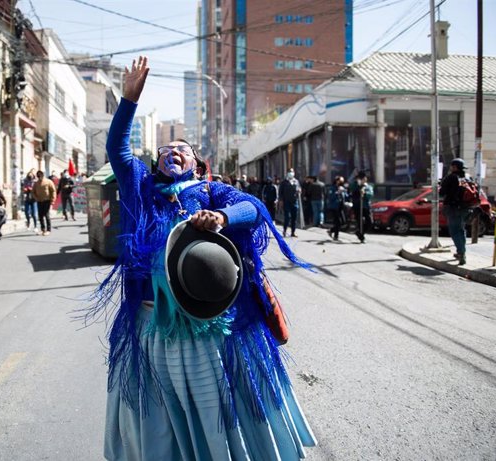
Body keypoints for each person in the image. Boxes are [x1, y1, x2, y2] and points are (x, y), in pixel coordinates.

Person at [93, 57, 316, 460]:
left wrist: (222, 217)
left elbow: (252, 208)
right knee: (161, 419)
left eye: (184, 149)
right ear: (155, 162)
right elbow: (117, 150)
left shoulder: (213, 192)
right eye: (167, 149)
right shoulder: (141, 189)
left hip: (214, 330)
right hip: (153, 326)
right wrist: (129, 101)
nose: (174, 152)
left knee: (218, 415)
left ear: (198, 163)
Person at [439, 159, 469, 265]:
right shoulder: (467, 178)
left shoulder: (452, 177)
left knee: (454, 231)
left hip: (453, 207)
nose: (450, 168)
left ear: (454, 167)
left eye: (452, 166)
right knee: (461, 230)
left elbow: (442, 192)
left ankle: (461, 253)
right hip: (465, 208)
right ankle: (461, 251)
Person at [349, 171, 373, 243]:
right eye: (360, 178)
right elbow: (351, 189)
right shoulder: (355, 185)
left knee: (370, 222)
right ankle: (361, 237)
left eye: (363, 178)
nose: (363, 180)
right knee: (360, 222)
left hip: (365, 206)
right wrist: (358, 185)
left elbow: (370, 195)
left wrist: (364, 193)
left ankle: (360, 232)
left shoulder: (368, 186)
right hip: (357, 206)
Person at [278, 169, 301, 237]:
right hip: (286, 201)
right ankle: (285, 230)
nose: (291, 173)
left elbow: (299, 188)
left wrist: (299, 191)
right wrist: (281, 200)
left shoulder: (296, 181)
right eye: (289, 172)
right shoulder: (284, 182)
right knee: (287, 217)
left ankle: (293, 232)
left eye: (292, 172)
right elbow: (280, 192)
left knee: (294, 217)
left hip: (294, 201)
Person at [32, 170, 56, 235]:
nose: (39, 177)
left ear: (43, 175)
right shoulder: (36, 183)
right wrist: (36, 198)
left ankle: (48, 229)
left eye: (40, 176)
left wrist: (53, 200)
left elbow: (53, 191)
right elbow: (33, 192)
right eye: (38, 176)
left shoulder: (48, 182)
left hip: (47, 200)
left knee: (46, 214)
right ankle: (43, 229)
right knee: (40, 215)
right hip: (39, 201)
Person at [327, 176, 348, 241]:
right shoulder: (332, 188)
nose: (341, 182)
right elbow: (330, 197)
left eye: (342, 181)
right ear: (337, 181)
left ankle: (331, 230)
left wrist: (344, 191)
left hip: (340, 207)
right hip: (334, 207)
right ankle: (336, 236)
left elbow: (346, 196)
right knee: (337, 222)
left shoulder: (342, 187)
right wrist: (337, 192)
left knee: (343, 222)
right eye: (340, 181)